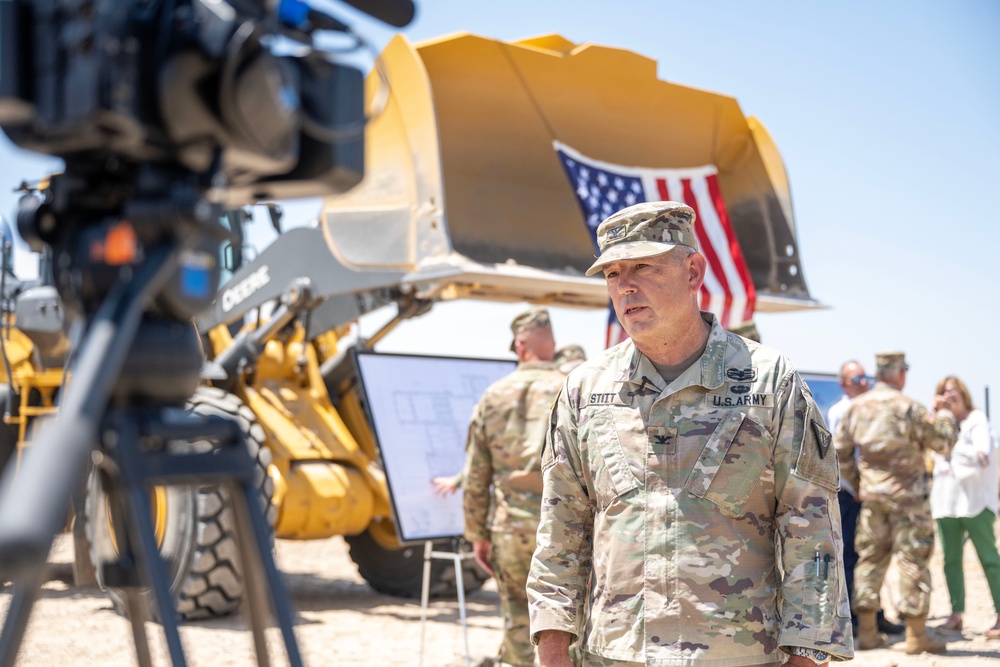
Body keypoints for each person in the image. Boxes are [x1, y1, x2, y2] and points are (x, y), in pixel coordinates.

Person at [528, 201, 853, 667]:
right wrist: (553, 647)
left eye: (643, 266)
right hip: (616, 654)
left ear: (693, 271)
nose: (626, 286)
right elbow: (561, 530)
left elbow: (811, 528)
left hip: (736, 655)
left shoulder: (767, 381)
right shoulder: (585, 388)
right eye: (613, 274)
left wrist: (808, 653)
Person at [833, 351, 957, 654]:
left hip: (873, 499)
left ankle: (868, 634)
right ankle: (916, 637)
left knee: (870, 561)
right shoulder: (910, 407)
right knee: (912, 561)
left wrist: (859, 484)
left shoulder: (856, 408)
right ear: (900, 373)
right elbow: (942, 443)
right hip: (909, 501)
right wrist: (944, 415)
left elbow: (840, 450)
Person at [463, 307, 566, 667]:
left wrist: (477, 534)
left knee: (518, 624)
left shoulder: (493, 395)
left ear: (520, 346)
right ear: (550, 343)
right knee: (571, 630)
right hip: (563, 530)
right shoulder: (573, 386)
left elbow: (476, 473)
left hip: (509, 530)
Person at [826, 361, 905, 637]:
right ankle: (857, 620)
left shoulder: (871, 407)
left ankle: (875, 613)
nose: (862, 382)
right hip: (850, 495)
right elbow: (839, 456)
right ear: (844, 383)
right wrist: (856, 488)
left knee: (875, 555)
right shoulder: (840, 411)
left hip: (870, 494)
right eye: (856, 378)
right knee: (850, 557)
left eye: (864, 377)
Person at [929, 375, 1000, 638]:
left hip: (975, 503)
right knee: (950, 561)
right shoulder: (938, 423)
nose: (949, 396)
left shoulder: (977, 420)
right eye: (943, 392)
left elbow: (982, 457)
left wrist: (953, 445)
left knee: (989, 560)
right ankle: (956, 613)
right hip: (945, 502)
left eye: (953, 391)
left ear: (963, 394)